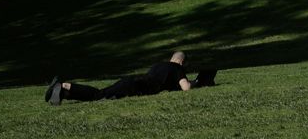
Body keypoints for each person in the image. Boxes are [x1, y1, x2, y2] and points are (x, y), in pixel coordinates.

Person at [46, 51, 207, 104]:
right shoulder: (177, 69)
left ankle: (64, 91)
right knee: (98, 96)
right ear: (182, 62)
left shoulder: (159, 65)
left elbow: (169, 84)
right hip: (133, 88)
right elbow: (186, 88)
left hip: (131, 81)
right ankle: (65, 87)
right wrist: (197, 83)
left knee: (99, 93)